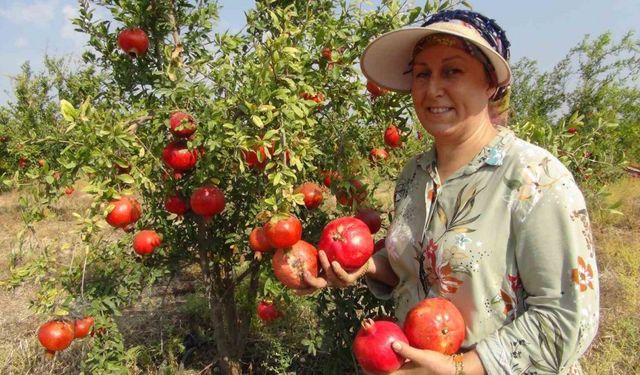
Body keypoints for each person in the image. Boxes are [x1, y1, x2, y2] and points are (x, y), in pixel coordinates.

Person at [300, 9, 600, 375]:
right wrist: (363, 266)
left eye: (452, 71)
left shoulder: (535, 177)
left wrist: (464, 367)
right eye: (422, 74)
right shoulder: (413, 176)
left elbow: (570, 319)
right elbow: (418, 271)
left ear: (491, 84)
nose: (432, 88)